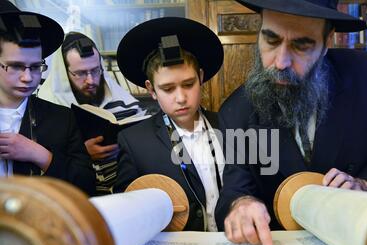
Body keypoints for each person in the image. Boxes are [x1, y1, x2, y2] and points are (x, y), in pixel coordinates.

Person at [216, 0, 367, 245]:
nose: (281, 62)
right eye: (271, 41)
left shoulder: (365, 74)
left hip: (356, 239)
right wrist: (241, 205)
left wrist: (364, 184)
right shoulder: (236, 111)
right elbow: (235, 188)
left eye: (301, 45)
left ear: (328, 41)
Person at [114, 17, 225, 231]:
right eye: (167, 89)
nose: (181, 97)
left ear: (200, 77)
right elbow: (126, 208)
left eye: (188, 84)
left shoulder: (229, 125)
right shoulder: (134, 142)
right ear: (151, 90)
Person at [37, 32, 151, 195]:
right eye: (81, 73)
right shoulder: (47, 107)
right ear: (64, 74)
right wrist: (83, 154)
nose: (91, 80)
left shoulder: (118, 96)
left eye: (95, 70)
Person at [0, 1, 95, 194]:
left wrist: (41, 155)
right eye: (16, 66)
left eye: (35, 67)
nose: (27, 77)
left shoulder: (62, 118)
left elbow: (86, 186)